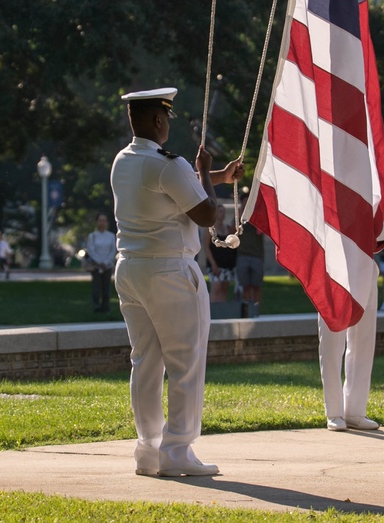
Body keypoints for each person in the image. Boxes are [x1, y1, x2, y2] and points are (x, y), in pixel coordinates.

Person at [111, 87, 244, 478]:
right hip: (169, 272)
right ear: (157, 120)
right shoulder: (170, 163)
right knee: (185, 363)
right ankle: (178, 451)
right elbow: (206, 214)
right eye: (166, 117)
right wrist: (204, 171)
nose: (168, 123)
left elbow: (174, 188)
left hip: (131, 269)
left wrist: (214, 175)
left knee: (146, 362)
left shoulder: (124, 160)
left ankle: (148, 450)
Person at [320, 230, 384, 432]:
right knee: (332, 342)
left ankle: (356, 411)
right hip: (332, 266)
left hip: (364, 264)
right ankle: (334, 412)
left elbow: (375, 223)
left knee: (363, 341)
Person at [202, 204, 237, 302]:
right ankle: (213, 312)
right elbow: (206, 247)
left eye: (224, 212)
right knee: (216, 288)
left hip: (227, 264)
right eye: (220, 211)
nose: (222, 214)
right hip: (215, 264)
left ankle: (222, 312)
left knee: (224, 290)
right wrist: (213, 263)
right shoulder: (210, 230)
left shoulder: (228, 228)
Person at [84, 213, 117, 314]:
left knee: (106, 287)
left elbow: (113, 250)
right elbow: (91, 250)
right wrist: (99, 262)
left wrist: (106, 262)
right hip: (96, 266)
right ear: (96, 222)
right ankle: (96, 306)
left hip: (108, 266)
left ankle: (106, 306)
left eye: (104, 221)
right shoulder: (92, 236)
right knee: (96, 287)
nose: (102, 223)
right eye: (100, 220)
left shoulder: (111, 236)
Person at [235, 221, 265, 311]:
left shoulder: (258, 214)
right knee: (245, 286)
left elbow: (261, 231)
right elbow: (233, 230)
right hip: (243, 254)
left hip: (256, 255)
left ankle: (256, 310)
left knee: (256, 286)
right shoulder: (239, 215)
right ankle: (247, 311)